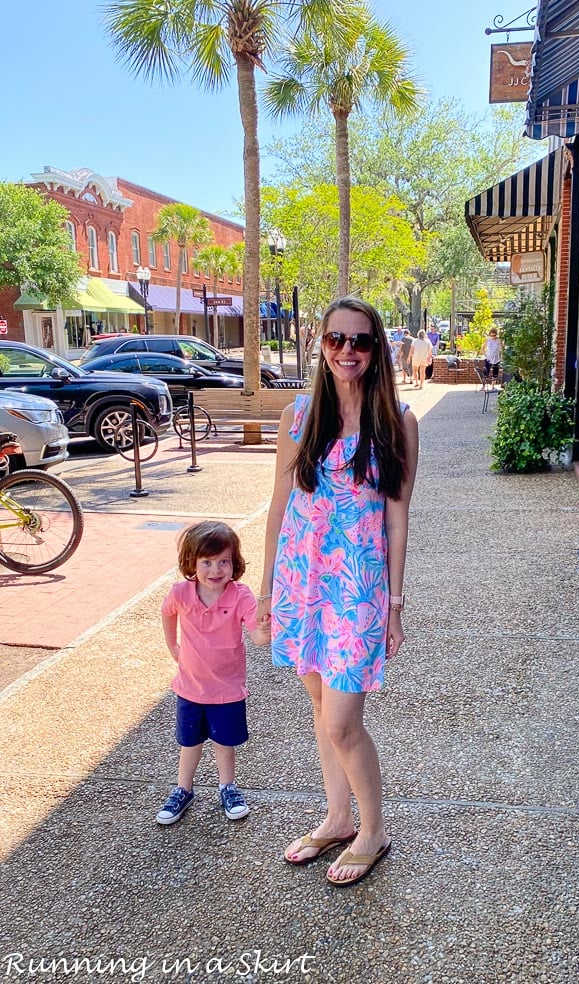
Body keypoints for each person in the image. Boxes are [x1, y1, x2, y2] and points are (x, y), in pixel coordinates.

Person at [259, 296, 419, 887]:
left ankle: (373, 831)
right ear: (321, 348)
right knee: (323, 712)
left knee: (344, 721)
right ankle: (337, 818)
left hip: (357, 593)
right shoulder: (298, 415)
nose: (347, 351)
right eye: (336, 340)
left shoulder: (398, 421)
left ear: (378, 350)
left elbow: (398, 518)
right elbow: (280, 507)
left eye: (361, 341)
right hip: (304, 586)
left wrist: (395, 606)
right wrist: (268, 588)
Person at [157, 521, 270, 826]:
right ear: (191, 562)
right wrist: (173, 647)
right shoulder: (181, 592)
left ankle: (227, 786)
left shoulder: (241, 596)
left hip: (227, 690)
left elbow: (258, 639)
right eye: (206, 562)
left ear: (235, 563)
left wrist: (264, 628)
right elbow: (167, 614)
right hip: (190, 688)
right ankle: (183, 788)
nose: (216, 569)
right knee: (189, 742)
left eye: (224, 561)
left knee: (224, 741)